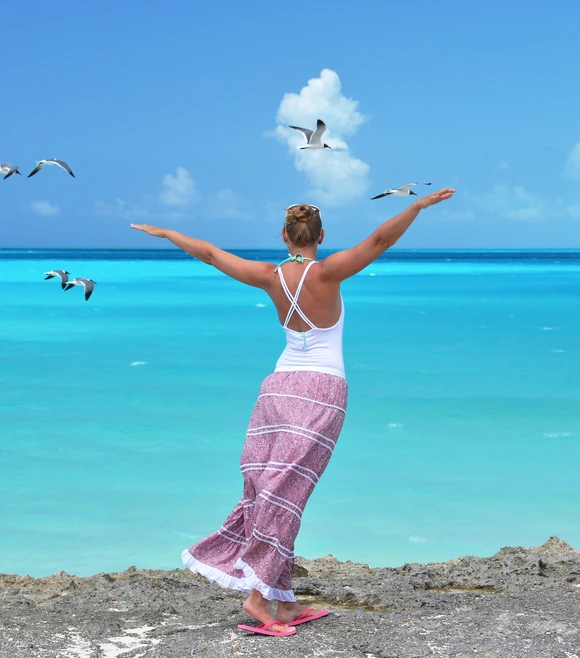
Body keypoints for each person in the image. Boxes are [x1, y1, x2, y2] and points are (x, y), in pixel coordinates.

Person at [130, 188, 455, 636]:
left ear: (284, 235)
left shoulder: (268, 275)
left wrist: (167, 232)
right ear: (321, 235)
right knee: (287, 498)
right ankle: (259, 600)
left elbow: (207, 253)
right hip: (320, 392)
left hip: (277, 389)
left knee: (272, 491)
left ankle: (283, 604)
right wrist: (416, 206)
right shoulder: (329, 271)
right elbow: (380, 241)